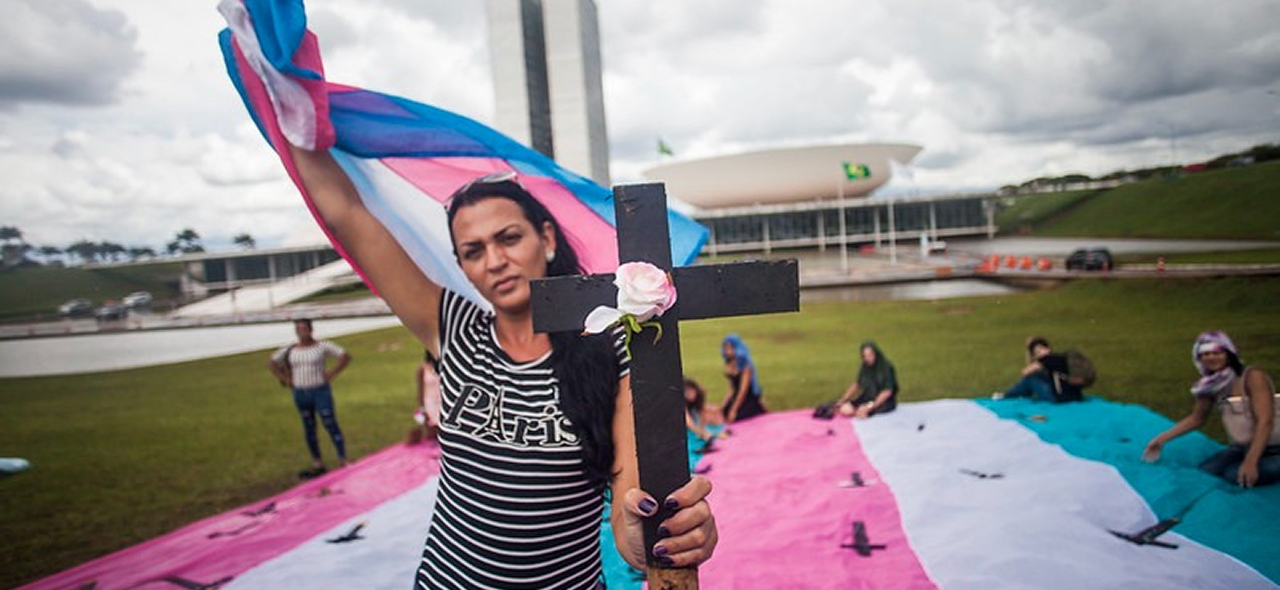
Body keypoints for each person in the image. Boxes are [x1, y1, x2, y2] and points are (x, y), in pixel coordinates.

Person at [286, 145, 717, 588]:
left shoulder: (609, 347)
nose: (494, 261)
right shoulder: (452, 328)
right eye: (473, 251)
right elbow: (346, 213)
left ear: (546, 238)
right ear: (462, 267)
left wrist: (651, 533)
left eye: (509, 238)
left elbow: (629, 509)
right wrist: (293, 121)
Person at [1143, 331, 1279, 488]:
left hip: (1274, 447)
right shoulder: (1211, 385)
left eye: (1217, 352)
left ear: (1228, 353)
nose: (1211, 357)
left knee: (1233, 475)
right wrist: (1160, 440)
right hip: (1243, 447)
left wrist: (1251, 462)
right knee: (1206, 471)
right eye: (1205, 354)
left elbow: (1265, 421)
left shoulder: (1252, 377)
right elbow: (1197, 418)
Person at [267, 319, 352, 478]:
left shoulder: (322, 346)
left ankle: (342, 458)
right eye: (298, 329)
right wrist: (285, 378)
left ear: (311, 329)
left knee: (329, 422)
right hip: (300, 392)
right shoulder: (290, 349)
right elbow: (271, 362)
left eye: (304, 329)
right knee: (309, 426)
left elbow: (344, 356)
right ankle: (317, 462)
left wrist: (331, 374)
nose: (301, 332)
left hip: (319, 390)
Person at [994, 336, 1082, 402]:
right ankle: (1020, 393)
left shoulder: (1046, 360)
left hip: (1059, 398)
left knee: (1031, 379)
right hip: (1075, 396)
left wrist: (1028, 350)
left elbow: (1025, 372)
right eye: (1036, 353)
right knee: (1037, 376)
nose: (1039, 355)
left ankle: (1007, 395)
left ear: (1047, 349)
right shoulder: (1058, 358)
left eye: (1039, 351)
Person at [835, 341, 898, 418]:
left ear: (876, 354)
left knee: (862, 412)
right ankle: (858, 412)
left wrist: (872, 406)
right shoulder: (865, 365)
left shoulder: (886, 367)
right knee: (844, 408)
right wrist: (844, 399)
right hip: (868, 397)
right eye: (865, 356)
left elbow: (887, 391)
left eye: (870, 355)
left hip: (884, 401)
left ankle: (860, 412)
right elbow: (857, 383)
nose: (867, 358)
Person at [720, 334, 768, 423]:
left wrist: (734, 409)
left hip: (747, 398)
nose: (728, 351)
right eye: (726, 349)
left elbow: (743, 390)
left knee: (739, 417)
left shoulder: (746, 366)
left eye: (731, 348)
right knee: (724, 414)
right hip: (736, 396)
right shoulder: (728, 364)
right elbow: (731, 389)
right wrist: (723, 405)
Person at [407, 350, 442, 445]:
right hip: (430, 403)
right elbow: (420, 390)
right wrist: (422, 408)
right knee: (431, 435)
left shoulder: (444, 367)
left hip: (442, 402)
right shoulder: (422, 369)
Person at [684, 378, 725, 442]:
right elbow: (688, 421)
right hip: (686, 417)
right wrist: (702, 433)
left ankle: (719, 429)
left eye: (691, 391)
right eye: (687, 393)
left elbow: (702, 411)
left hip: (694, 413)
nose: (690, 394)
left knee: (713, 410)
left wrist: (703, 428)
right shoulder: (681, 402)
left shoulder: (699, 394)